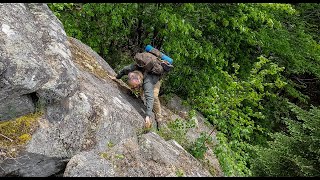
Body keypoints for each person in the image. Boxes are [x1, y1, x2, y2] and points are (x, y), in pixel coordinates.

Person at [116, 63, 164, 130]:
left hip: (154, 79)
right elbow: (123, 70)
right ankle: (140, 98)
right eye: (133, 86)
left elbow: (150, 98)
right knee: (140, 91)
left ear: (140, 80)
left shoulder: (147, 83)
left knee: (154, 96)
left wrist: (147, 115)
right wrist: (117, 77)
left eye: (135, 86)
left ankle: (159, 118)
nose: (134, 88)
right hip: (144, 76)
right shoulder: (131, 69)